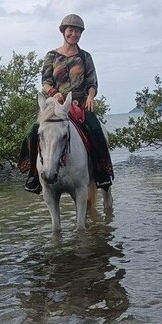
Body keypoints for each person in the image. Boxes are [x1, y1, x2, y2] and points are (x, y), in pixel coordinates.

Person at [19, 13, 114, 194]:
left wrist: (91, 97)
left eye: (77, 31)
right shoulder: (52, 56)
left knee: (95, 130)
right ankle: (33, 176)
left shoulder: (85, 56)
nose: (74, 34)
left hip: (79, 102)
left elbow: (92, 83)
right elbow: (46, 82)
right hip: (55, 103)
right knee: (33, 132)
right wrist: (55, 94)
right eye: (71, 30)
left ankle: (102, 174)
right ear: (64, 31)